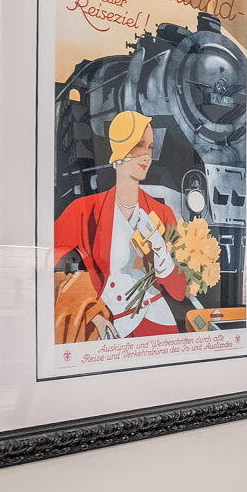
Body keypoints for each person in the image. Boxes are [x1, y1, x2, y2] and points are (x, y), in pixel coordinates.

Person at [51, 111, 189, 339]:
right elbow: (48, 266)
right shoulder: (84, 210)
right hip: (108, 327)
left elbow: (179, 291)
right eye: (139, 146)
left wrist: (165, 264)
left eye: (150, 147)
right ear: (119, 151)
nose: (146, 156)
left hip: (159, 327)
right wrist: (93, 314)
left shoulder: (162, 213)